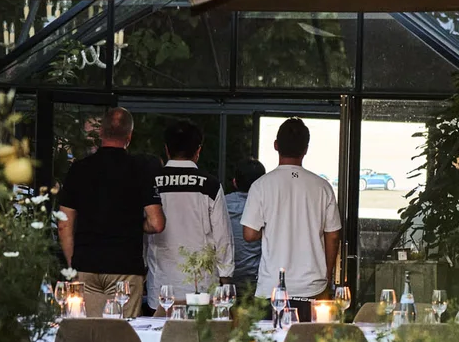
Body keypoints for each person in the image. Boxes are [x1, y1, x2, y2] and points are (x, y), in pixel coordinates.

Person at [57, 107, 163, 316]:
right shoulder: (140, 169)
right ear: (129, 136)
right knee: (124, 337)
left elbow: (64, 223)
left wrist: (73, 263)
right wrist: (133, 224)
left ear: (101, 133)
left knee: (88, 335)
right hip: (125, 266)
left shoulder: (79, 169)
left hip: (86, 263)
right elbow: (157, 223)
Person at [240, 118, 342, 320]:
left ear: (276, 145)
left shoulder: (261, 186)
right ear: (306, 149)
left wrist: (274, 230)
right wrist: (327, 276)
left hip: (272, 288)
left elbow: (249, 234)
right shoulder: (322, 187)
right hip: (312, 286)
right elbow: (333, 236)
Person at [143, 120, 233, 312]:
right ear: (198, 150)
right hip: (201, 287)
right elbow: (223, 237)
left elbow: (143, 229)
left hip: (161, 286)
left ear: (167, 149)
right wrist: (225, 277)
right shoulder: (210, 185)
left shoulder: (152, 182)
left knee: (160, 339)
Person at [225, 159, 267, 300]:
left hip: (226, 279)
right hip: (257, 281)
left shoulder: (222, 204)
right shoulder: (268, 207)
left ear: (235, 182)